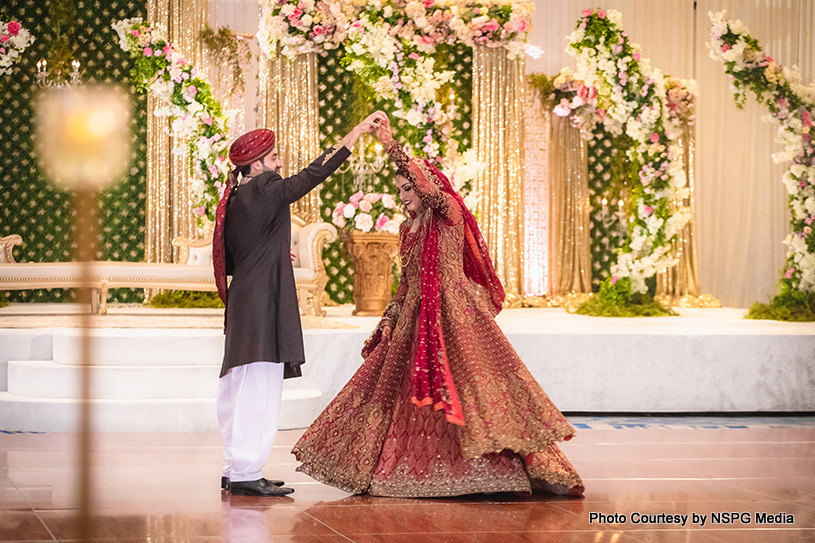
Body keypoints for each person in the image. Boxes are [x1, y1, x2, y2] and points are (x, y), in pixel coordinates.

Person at [292, 116, 584, 497]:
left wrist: (391, 145)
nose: (404, 196)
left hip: (455, 313)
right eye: (399, 190)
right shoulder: (407, 228)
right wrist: (390, 318)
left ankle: (496, 471)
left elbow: (429, 192)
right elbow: (406, 284)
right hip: (416, 314)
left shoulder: (448, 211)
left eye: (407, 187)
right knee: (397, 390)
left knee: (469, 388)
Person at [212, 112, 387, 497]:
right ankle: (245, 472)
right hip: (262, 301)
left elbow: (233, 249)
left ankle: (236, 467)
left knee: (240, 384)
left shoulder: (238, 196)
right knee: (259, 384)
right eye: (273, 158)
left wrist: (274, 251)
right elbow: (312, 175)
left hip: (246, 298)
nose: (279, 164)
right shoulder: (266, 186)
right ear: (256, 165)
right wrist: (355, 132)